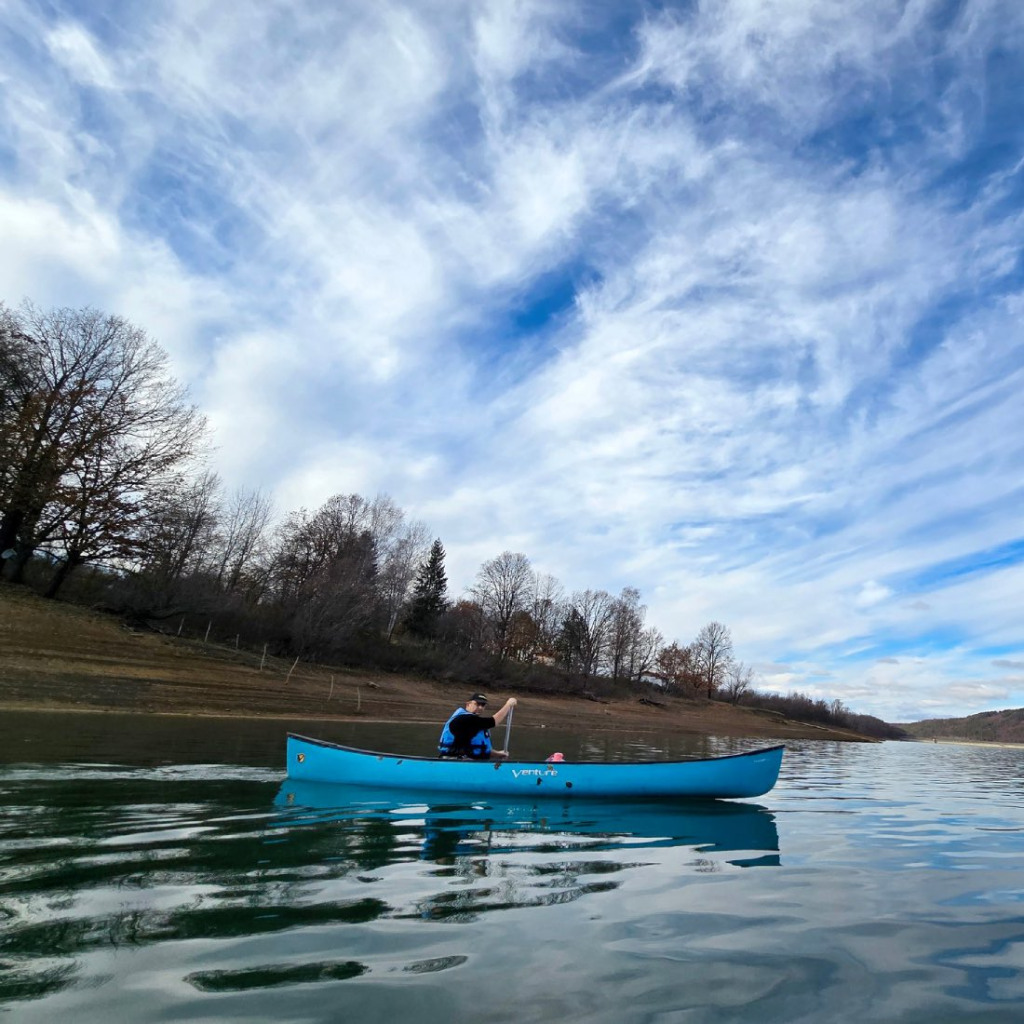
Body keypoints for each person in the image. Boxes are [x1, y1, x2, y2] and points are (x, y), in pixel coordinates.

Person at [438, 693, 517, 759]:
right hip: (456, 761)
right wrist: (508, 705)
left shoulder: (474, 723)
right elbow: (493, 722)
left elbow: (479, 749)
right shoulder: (464, 719)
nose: (480, 707)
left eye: (483, 705)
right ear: (468, 704)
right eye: (477, 704)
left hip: (470, 761)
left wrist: (498, 754)